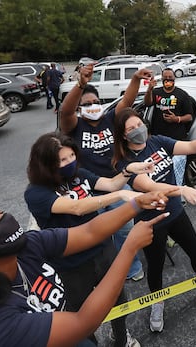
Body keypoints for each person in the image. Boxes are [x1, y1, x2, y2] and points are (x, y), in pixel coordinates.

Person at [0, 192, 171, 346]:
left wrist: (136, 204)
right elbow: (81, 322)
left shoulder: (26, 247)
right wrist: (129, 248)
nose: (4, 220)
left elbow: (90, 231)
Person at [24, 132, 156, 347]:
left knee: (118, 300)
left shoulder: (78, 175)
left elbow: (112, 184)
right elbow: (77, 208)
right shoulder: (36, 193)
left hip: (103, 250)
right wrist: (121, 196)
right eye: (62, 160)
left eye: (72, 156)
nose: (69, 163)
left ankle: (121, 338)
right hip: (71, 264)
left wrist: (128, 171)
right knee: (81, 315)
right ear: (45, 164)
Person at [112, 107, 196, 333]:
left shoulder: (156, 141)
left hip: (176, 213)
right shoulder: (125, 163)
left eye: (139, 125)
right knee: (156, 266)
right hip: (151, 221)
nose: (138, 130)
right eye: (131, 129)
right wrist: (182, 189)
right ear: (123, 135)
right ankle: (157, 301)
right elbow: (150, 186)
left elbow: (187, 147)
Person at [59, 63, 153, 281]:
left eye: (96, 102)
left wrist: (136, 78)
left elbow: (127, 102)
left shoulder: (110, 119)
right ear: (80, 108)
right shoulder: (75, 126)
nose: (93, 106)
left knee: (124, 229)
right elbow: (65, 111)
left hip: (119, 183)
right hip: (91, 190)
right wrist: (80, 85)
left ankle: (131, 266)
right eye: (87, 104)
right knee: (98, 233)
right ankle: (104, 272)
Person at [144, 68, 194, 186]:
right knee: (161, 168)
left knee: (177, 169)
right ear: (162, 80)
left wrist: (176, 119)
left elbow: (189, 116)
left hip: (176, 139)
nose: (168, 81)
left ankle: (178, 192)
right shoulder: (156, 92)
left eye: (170, 79)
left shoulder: (182, 94)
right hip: (159, 138)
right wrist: (149, 89)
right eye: (165, 79)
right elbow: (147, 103)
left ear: (174, 79)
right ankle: (162, 188)